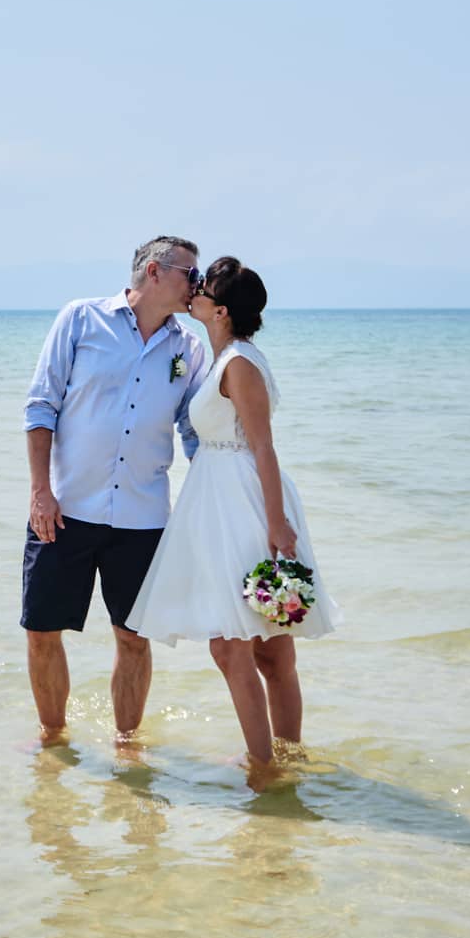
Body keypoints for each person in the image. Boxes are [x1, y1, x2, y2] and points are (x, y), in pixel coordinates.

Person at [125, 258, 339, 788]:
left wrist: (276, 523)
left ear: (219, 311)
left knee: (237, 643)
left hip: (244, 503)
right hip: (220, 501)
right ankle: (284, 756)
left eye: (203, 289)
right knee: (267, 644)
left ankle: (264, 763)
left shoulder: (239, 363)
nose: (193, 292)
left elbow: (263, 447)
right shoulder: (224, 357)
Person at [20, 236, 209, 746]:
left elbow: (195, 434)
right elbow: (41, 408)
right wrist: (41, 491)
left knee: (134, 638)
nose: (199, 284)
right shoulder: (81, 320)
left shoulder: (188, 349)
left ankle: (128, 747)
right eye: (191, 273)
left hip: (143, 520)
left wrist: (225, 500)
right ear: (154, 270)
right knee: (41, 631)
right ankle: (53, 739)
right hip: (64, 509)